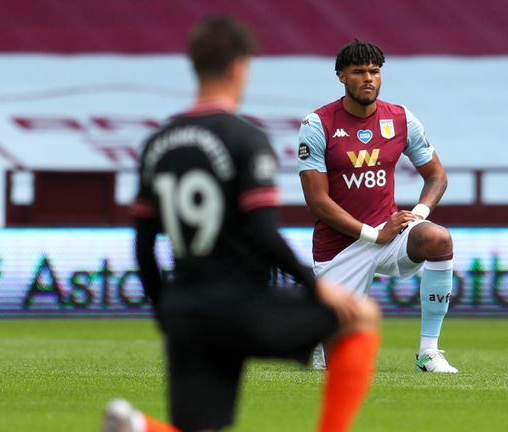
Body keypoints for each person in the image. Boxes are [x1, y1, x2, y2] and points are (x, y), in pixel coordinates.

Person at [102, 18, 381, 432]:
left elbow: (143, 247)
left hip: (184, 308)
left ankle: (140, 427)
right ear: (239, 68)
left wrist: (166, 315)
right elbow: (264, 234)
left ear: (195, 66)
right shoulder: (244, 138)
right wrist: (314, 285)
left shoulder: (158, 143)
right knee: (360, 315)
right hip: (239, 305)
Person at [298, 39, 457, 373]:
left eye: (374, 71)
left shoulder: (400, 119)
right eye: (358, 72)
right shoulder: (318, 124)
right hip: (340, 247)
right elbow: (317, 202)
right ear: (341, 76)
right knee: (333, 364)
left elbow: (437, 177)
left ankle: (429, 352)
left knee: (439, 239)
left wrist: (419, 214)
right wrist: (374, 234)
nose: (368, 78)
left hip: (390, 235)